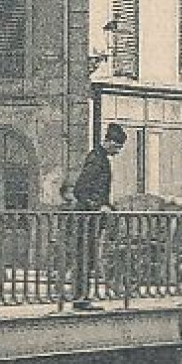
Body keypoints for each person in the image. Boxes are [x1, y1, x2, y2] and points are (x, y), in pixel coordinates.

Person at [69, 123, 126, 311]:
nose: (118, 152)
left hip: (92, 219)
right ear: (108, 141)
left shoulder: (101, 158)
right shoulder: (96, 160)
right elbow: (80, 190)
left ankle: (83, 297)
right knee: (85, 257)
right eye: (117, 147)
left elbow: (99, 193)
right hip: (86, 219)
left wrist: (108, 206)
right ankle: (80, 298)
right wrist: (97, 207)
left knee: (89, 258)